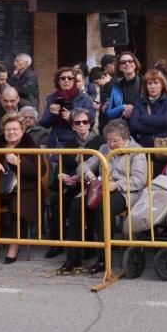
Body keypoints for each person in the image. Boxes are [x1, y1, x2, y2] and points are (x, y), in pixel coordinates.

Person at [58, 120, 146, 274]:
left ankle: (104, 258)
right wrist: (88, 174)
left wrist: (117, 185)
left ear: (125, 138)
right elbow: (83, 165)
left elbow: (139, 180)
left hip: (126, 191)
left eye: (115, 141)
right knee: (76, 206)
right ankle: (73, 256)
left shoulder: (137, 151)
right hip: (100, 188)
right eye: (109, 140)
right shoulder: (103, 148)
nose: (111, 145)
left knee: (104, 208)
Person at [0, 114, 39, 265]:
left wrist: (19, 162)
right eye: (8, 129)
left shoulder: (31, 145)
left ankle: (14, 246)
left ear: (23, 130)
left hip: (23, 188)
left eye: (15, 129)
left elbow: (38, 171)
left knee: (17, 206)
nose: (11, 132)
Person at [45, 107, 102, 259]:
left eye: (85, 121)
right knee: (57, 203)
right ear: (73, 126)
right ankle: (57, 244)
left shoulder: (100, 142)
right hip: (72, 185)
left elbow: (100, 168)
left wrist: (80, 176)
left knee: (79, 206)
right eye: (78, 122)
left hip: (92, 185)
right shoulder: (69, 144)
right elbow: (63, 164)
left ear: (90, 124)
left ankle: (87, 246)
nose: (82, 125)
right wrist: (62, 175)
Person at [39, 67, 93, 149]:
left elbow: (91, 121)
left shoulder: (84, 98)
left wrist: (72, 118)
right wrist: (52, 114)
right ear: (58, 81)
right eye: (63, 78)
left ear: (74, 80)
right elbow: (44, 123)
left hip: (76, 142)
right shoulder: (52, 98)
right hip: (56, 141)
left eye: (70, 78)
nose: (66, 80)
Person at [127, 70, 167, 147]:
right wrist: (160, 127)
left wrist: (143, 118)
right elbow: (134, 125)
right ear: (146, 86)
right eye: (149, 83)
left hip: (165, 146)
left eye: (156, 83)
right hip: (145, 146)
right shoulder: (139, 102)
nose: (152, 86)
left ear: (162, 85)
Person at [104, 52, 142, 123]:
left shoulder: (145, 83)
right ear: (120, 67)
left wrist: (133, 111)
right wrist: (123, 107)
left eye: (130, 61)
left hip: (142, 127)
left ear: (135, 64)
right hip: (123, 128)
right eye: (123, 62)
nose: (127, 64)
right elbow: (109, 113)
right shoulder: (116, 86)